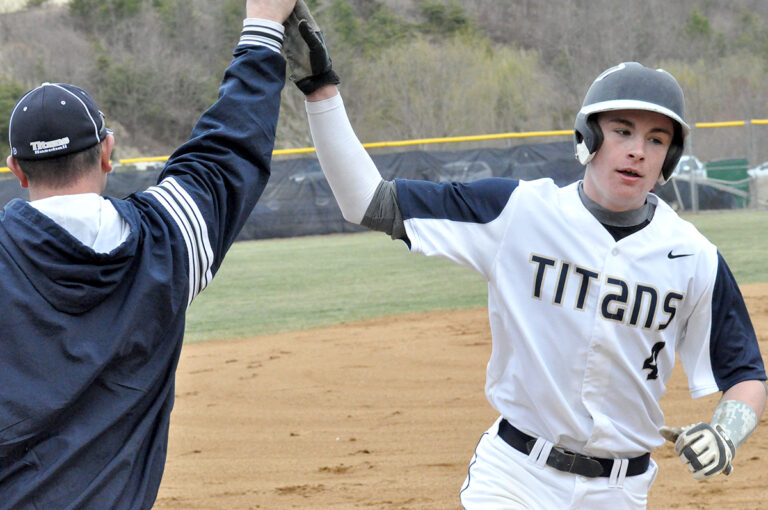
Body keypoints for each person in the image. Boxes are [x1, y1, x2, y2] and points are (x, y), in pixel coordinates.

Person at [280, 3, 767, 509]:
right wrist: (320, 90)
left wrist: (726, 435)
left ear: (669, 158)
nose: (638, 150)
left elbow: (746, 375)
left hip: (621, 490)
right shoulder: (517, 212)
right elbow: (367, 201)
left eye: (657, 139)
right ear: (590, 137)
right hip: (515, 477)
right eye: (622, 131)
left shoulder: (693, 257)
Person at [0, 0, 296, 508]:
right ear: (108, 152)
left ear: (17, 170)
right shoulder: (165, 240)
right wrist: (263, 27)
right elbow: (229, 149)